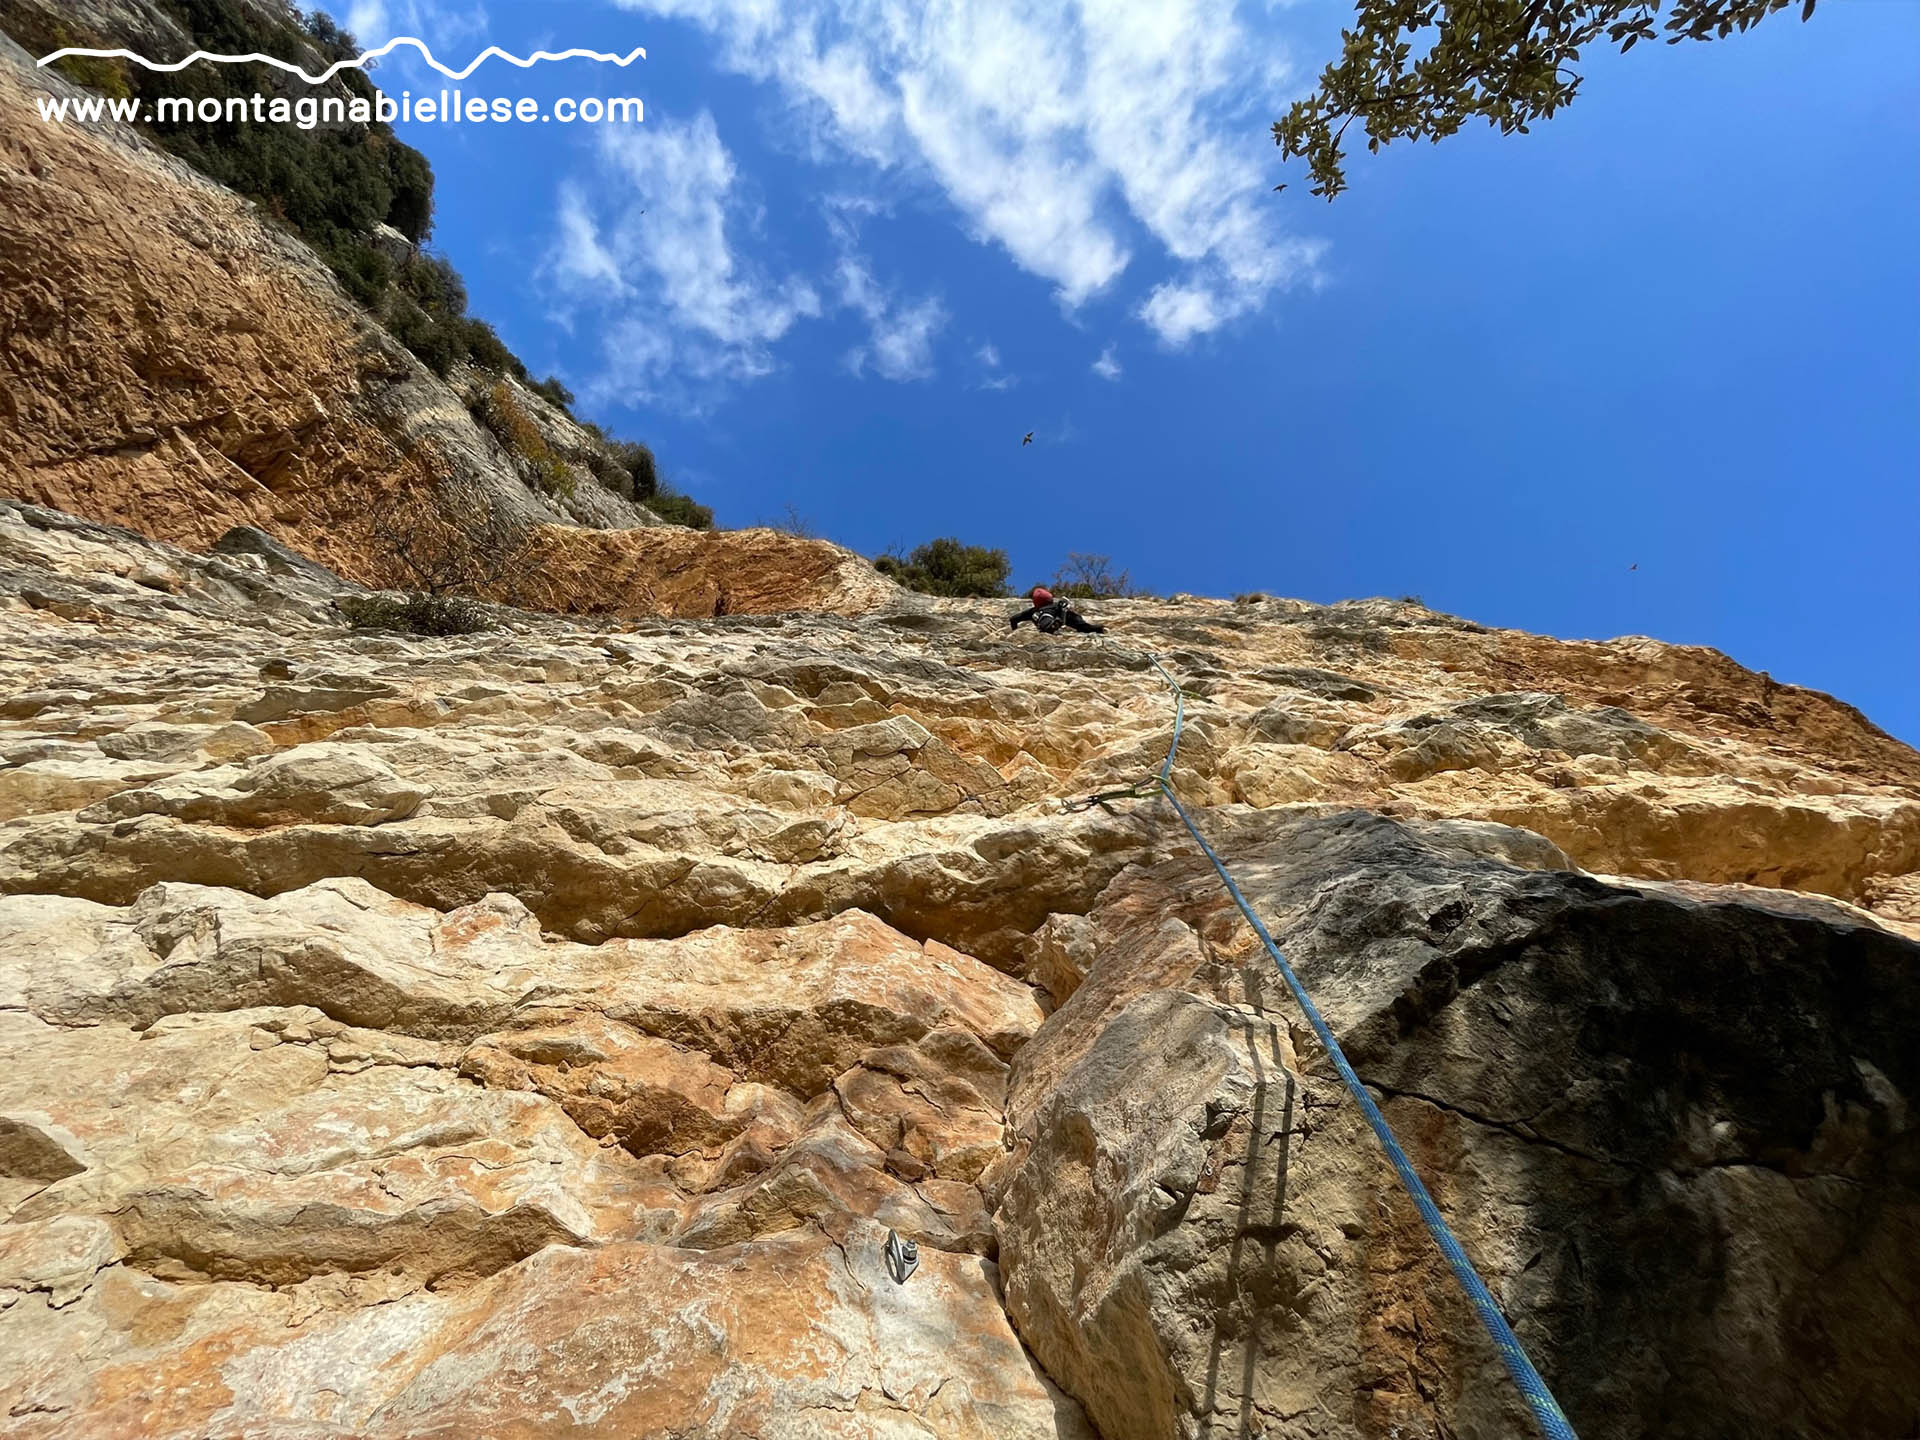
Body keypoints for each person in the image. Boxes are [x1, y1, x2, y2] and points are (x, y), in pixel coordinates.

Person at [1009, 585, 1104, 635]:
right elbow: (1071, 614)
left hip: (1043, 618)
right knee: (1073, 617)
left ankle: (1050, 626)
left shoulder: (1032, 611)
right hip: (1058, 614)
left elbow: (1013, 619)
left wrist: (1014, 632)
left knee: (1045, 618)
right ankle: (1089, 628)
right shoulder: (1056, 605)